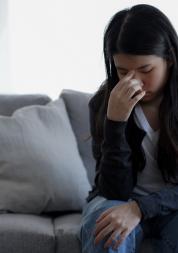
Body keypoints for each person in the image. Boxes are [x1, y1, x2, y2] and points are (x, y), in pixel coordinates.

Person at [77, 4, 178, 253]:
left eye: (146, 70)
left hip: (171, 205)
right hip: (116, 200)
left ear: (169, 59)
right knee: (108, 232)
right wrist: (116, 122)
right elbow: (114, 190)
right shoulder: (103, 103)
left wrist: (141, 209)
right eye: (123, 71)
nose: (134, 81)